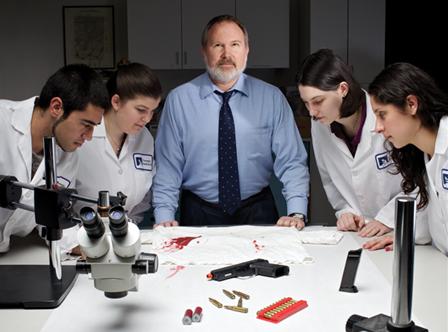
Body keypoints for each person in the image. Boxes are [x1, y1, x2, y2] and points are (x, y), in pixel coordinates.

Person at [152, 15, 309, 229]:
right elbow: (168, 167)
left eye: (235, 45)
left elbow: (292, 161)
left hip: (258, 211)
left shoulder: (271, 98)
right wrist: (163, 218)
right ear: (204, 51)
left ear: (246, 50)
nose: (227, 54)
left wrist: (297, 212)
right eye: (218, 45)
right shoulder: (178, 100)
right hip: (199, 212)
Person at [295, 49, 429, 242]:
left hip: (401, 228)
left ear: (342, 89)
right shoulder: (320, 124)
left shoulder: (387, 118)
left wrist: (387, 219)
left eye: (318, 101)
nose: (311, 112)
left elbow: (420, 181)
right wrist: (345, 211)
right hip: (360, 233)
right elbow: (329, 180)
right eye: (306, 103)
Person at [0, 64, 109, 257]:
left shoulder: (68, 152)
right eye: (85, 124)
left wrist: (89, 247)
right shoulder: (1, 122)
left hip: (10, 255)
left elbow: (54, 215)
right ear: (56, 107)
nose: (89, 136)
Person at [364, 62, 448, 256]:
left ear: (411, 105)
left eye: (382, 115)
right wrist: (408, 235)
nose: (377, 127)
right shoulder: (424, 156)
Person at [75, 59, 162, 224]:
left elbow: (143, 198)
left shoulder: (145, 139)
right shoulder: (83, 136)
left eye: (152, 111)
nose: (147, 119)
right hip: (80, 238)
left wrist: (129, 226)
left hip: (123, 234)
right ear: (116, 102)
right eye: (141, 110)